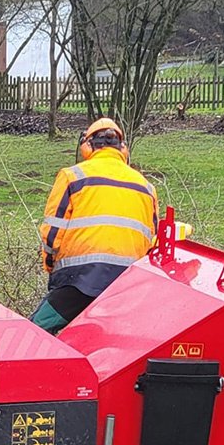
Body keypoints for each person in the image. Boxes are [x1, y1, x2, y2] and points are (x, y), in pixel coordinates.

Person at [30, 117, 159, 334]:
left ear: (87, 146)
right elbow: (151, 240)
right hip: (128, 285)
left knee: (35, 332)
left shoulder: (72, 177)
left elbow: (52, 233)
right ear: (123, 149)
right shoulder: (146, 187)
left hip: (79, 281)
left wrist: (52, 269)